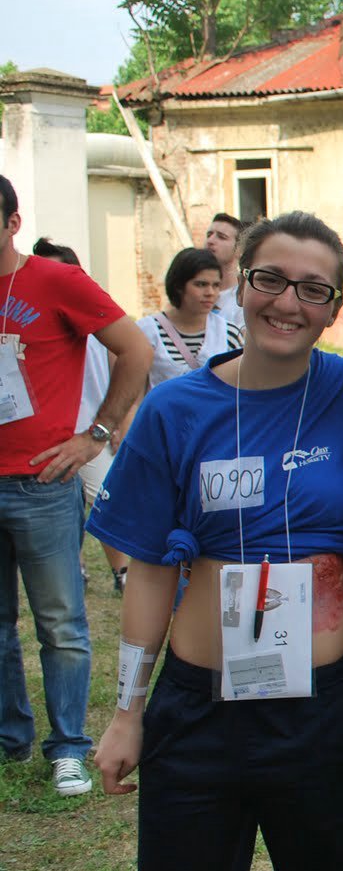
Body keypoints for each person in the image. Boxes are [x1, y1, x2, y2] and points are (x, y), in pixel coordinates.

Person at [89, 211, 343, 871]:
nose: (288, 303)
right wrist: (128, 712)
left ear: (336, 307)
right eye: (270, 280)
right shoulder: (174, 410)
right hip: (199, 713)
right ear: (237, 287)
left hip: (322, 715)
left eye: (314, 290)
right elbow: (151, 571)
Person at [0, 175, 151, 797]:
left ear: (11, 222)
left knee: (60, 621)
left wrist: (97, 433)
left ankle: (68, 747)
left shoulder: (52, 280)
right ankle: (11, 740)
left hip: (40, 480)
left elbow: (135, 350)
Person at [30, 238, 130, 594]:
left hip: (91, 431)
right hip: (47, 433)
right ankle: (76, 570)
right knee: (58, 510)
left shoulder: (96, 316)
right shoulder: (31, 320)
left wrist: (114, 423)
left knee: (107, 498)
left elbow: (126, 364)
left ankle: (123, 571)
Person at [138, 247, 243, 387]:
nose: (210, 292)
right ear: (179, 285)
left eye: (216, 285)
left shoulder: (229, 334)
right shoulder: (147, 331)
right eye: (201, 284)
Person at [205, 212, 246, 327]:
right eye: (209, 235)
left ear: (239, 249)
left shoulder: (243, 299)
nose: (210, 241)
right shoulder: (191, 292)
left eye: (221, 237)